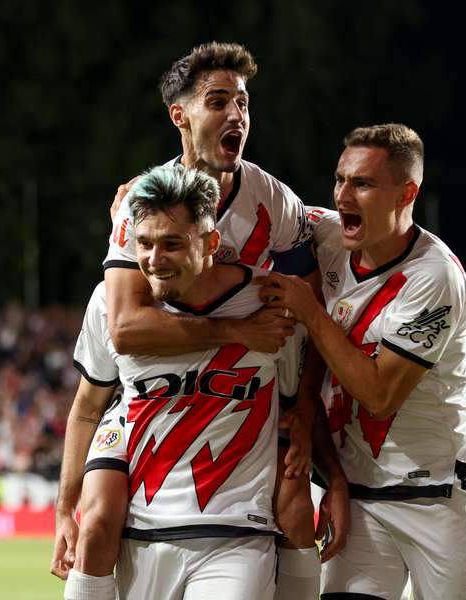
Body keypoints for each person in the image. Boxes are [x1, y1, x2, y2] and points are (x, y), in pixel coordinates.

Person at [54, 41, 349, 600]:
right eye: (219, 102)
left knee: (291, 500)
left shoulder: (272, 200)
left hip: (241, 383)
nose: (236, 114)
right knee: (96, 521)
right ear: (180, 116)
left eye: (242, 103)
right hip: (149, 392)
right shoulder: (143, 202)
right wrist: (238, 331)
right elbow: (125, 329)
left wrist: (301, 410)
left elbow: (309, 294)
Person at [258, 123, 466, 599]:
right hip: (361, 496)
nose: (344, 194)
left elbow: (377, 395)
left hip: (436, 493)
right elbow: (252, 203)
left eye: (363, 183)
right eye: (340, 179)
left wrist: (310, 309)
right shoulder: (326, 234)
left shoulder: (434, 277)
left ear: (406, 193)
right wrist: (141, 197)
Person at [63, 164, 299, 599]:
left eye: (171, 244)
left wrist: (329, 483)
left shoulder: (272, 303)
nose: (154, 260)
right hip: (143, 534)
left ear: (211, 242)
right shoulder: (108, 307)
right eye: (144, 244)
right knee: (94, 528)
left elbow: (299, 405)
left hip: (236, 535)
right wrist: (65, 511)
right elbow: (87, 409)